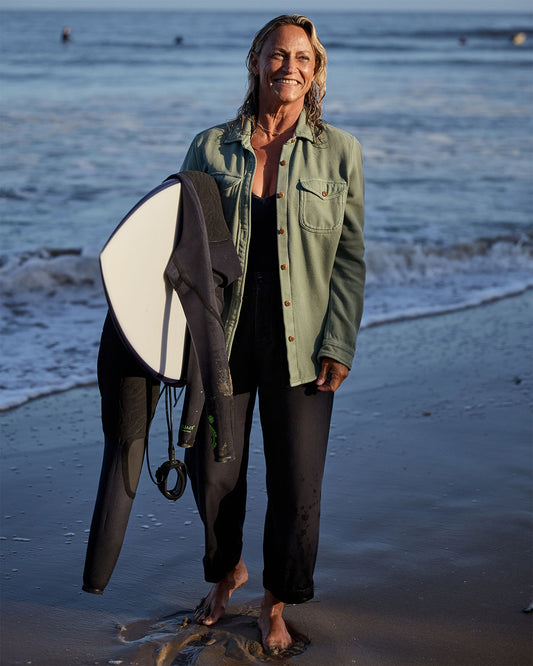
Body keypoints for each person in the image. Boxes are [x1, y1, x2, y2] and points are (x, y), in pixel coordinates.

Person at [180, 14, 365, 652]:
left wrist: (339, 341)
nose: (289, 67)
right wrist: (173, 343)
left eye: (302, 59)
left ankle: (276, 600)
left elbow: (349, 257)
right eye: (277, 55)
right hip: (223, 338)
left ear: (315, 74)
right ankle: (226, 571)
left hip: (304, 340)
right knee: (215, 474)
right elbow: (180, 255)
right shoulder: (208, 148)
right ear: (256, 60)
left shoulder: (340, 152)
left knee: (296, 481)